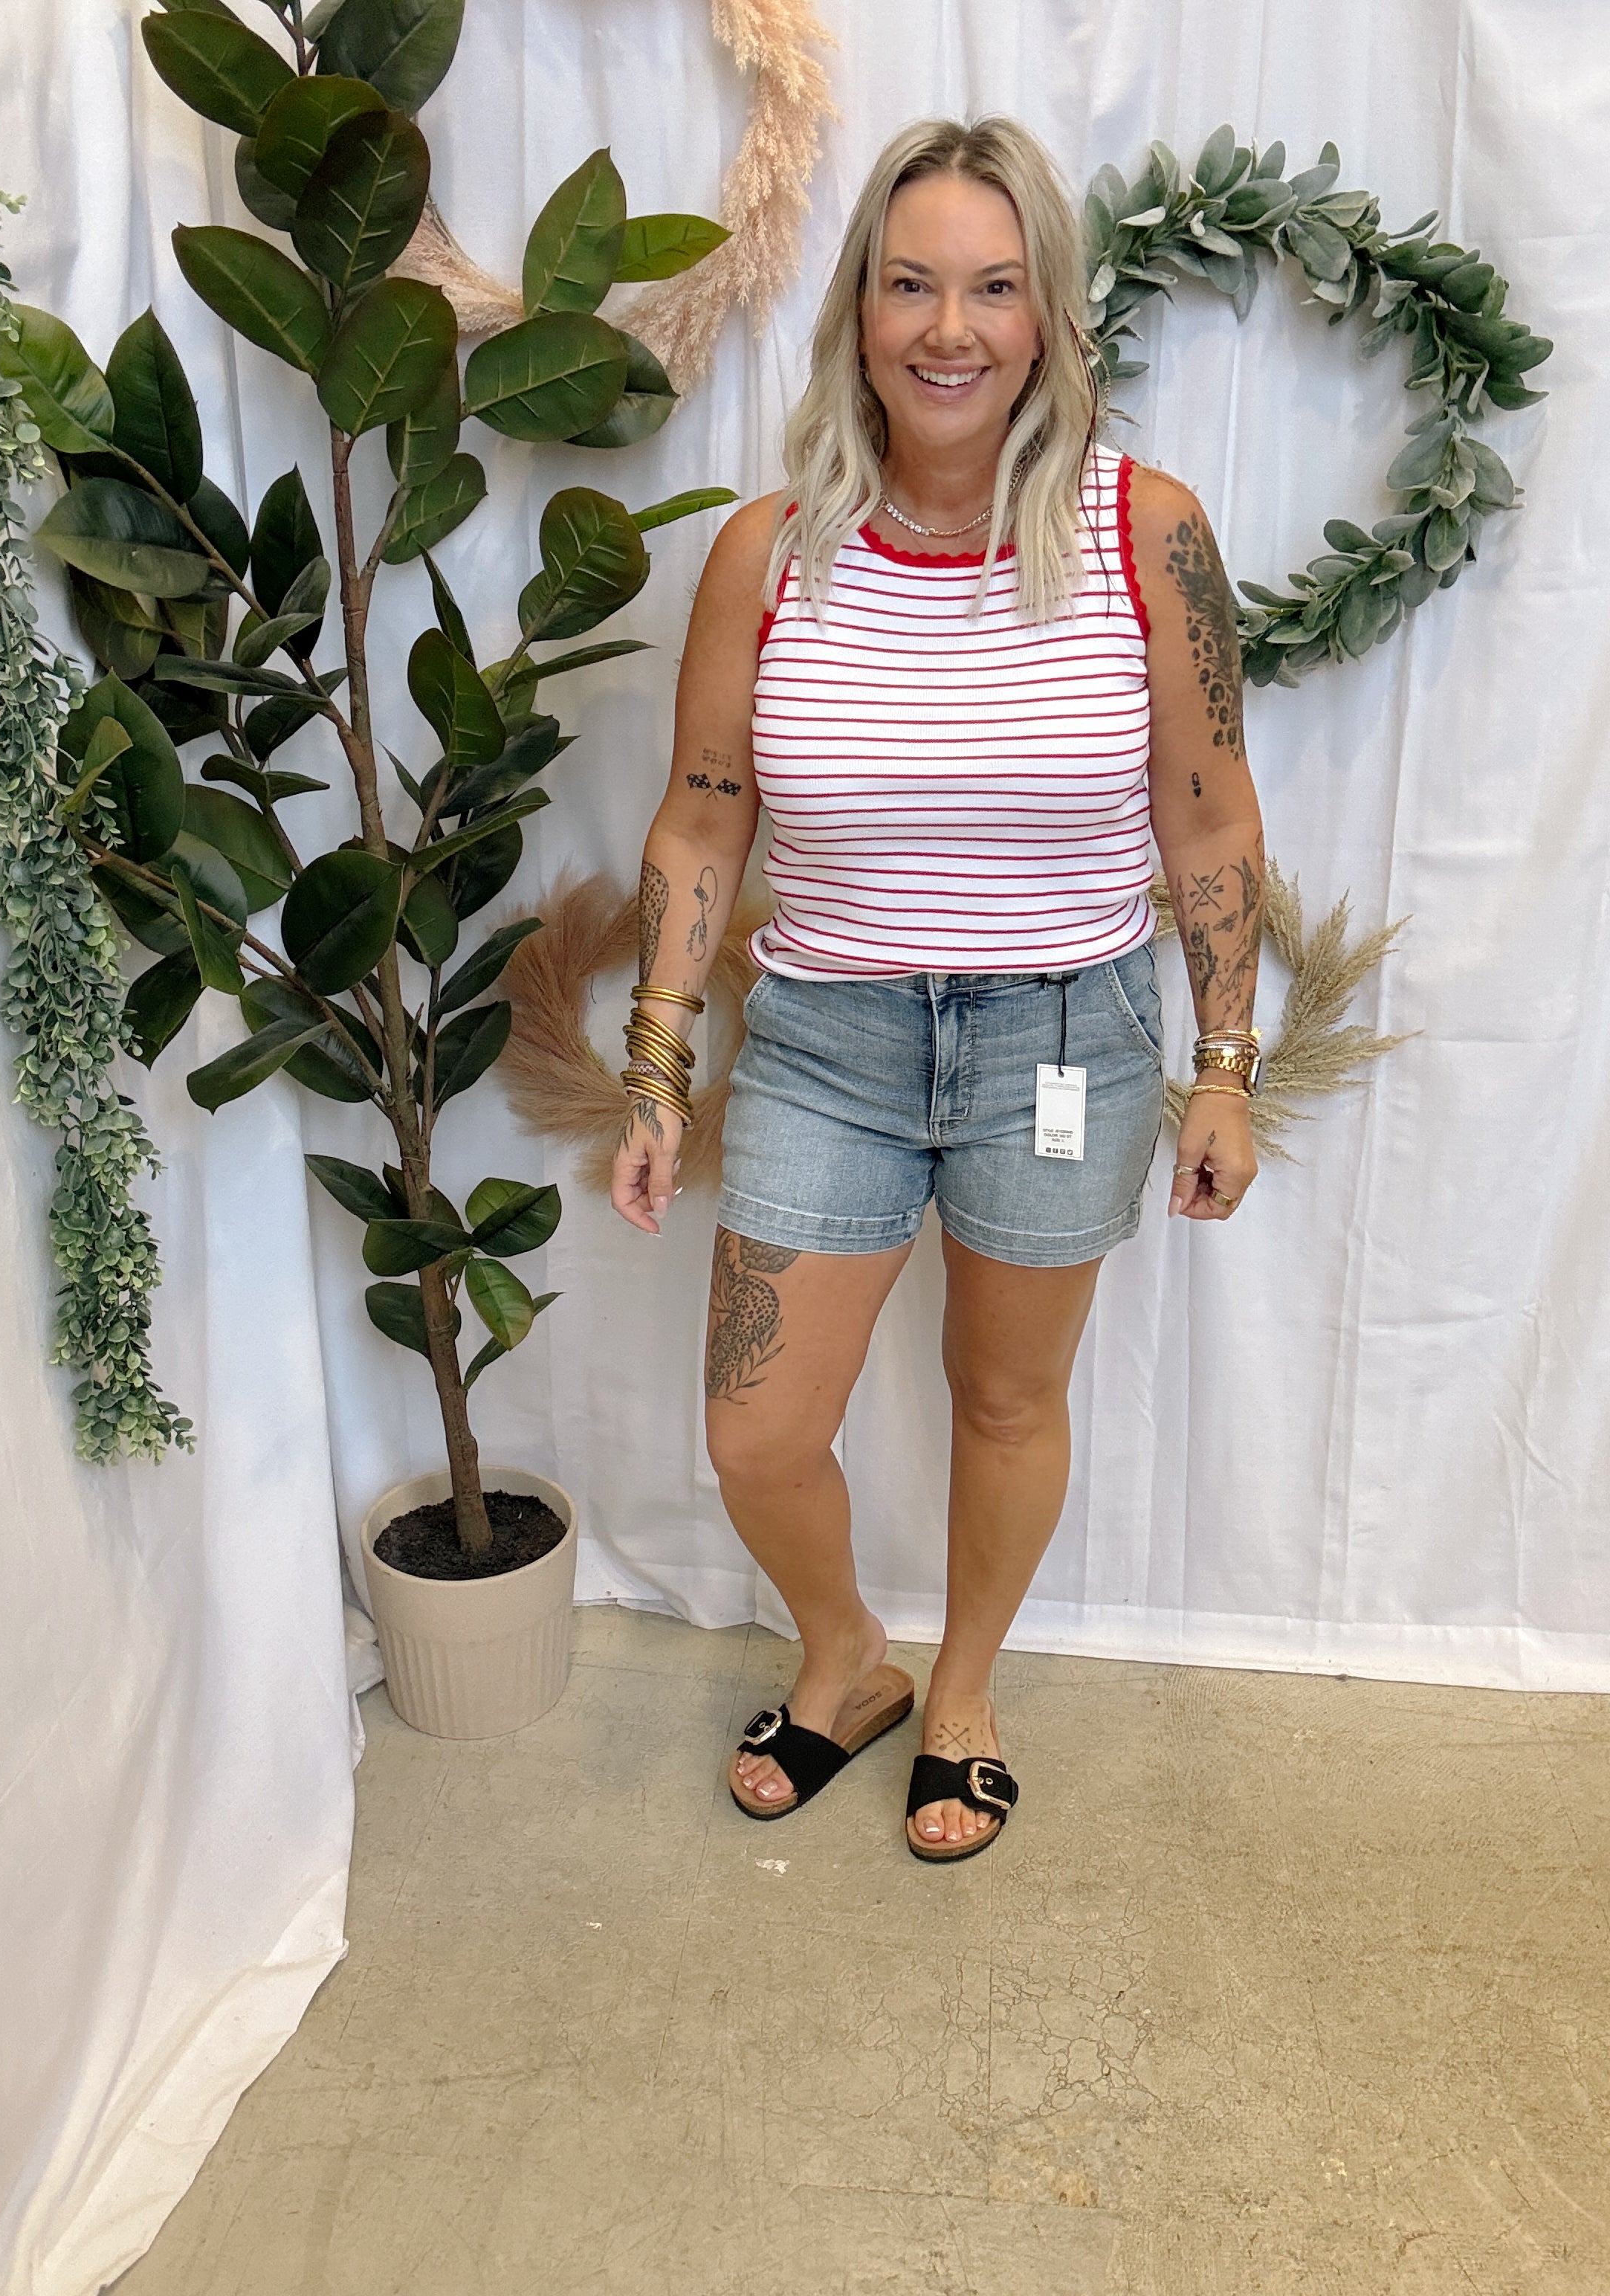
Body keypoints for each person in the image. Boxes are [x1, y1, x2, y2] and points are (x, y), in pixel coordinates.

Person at [610, 116, 1265, 1863]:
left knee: (1006, 1395)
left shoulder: (1147, 532)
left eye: (993, 287)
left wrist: (1225, 1063)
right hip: (826, 1041)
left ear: (1047, 316)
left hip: (1064, 1038)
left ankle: (964, 1688)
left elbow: (1210, 816)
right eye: (911, 285)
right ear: (861, 309)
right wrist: (658, 1059)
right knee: (756, 1432)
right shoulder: (769, 552)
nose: (950, 329)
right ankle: (846, 1657)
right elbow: (702, 814)